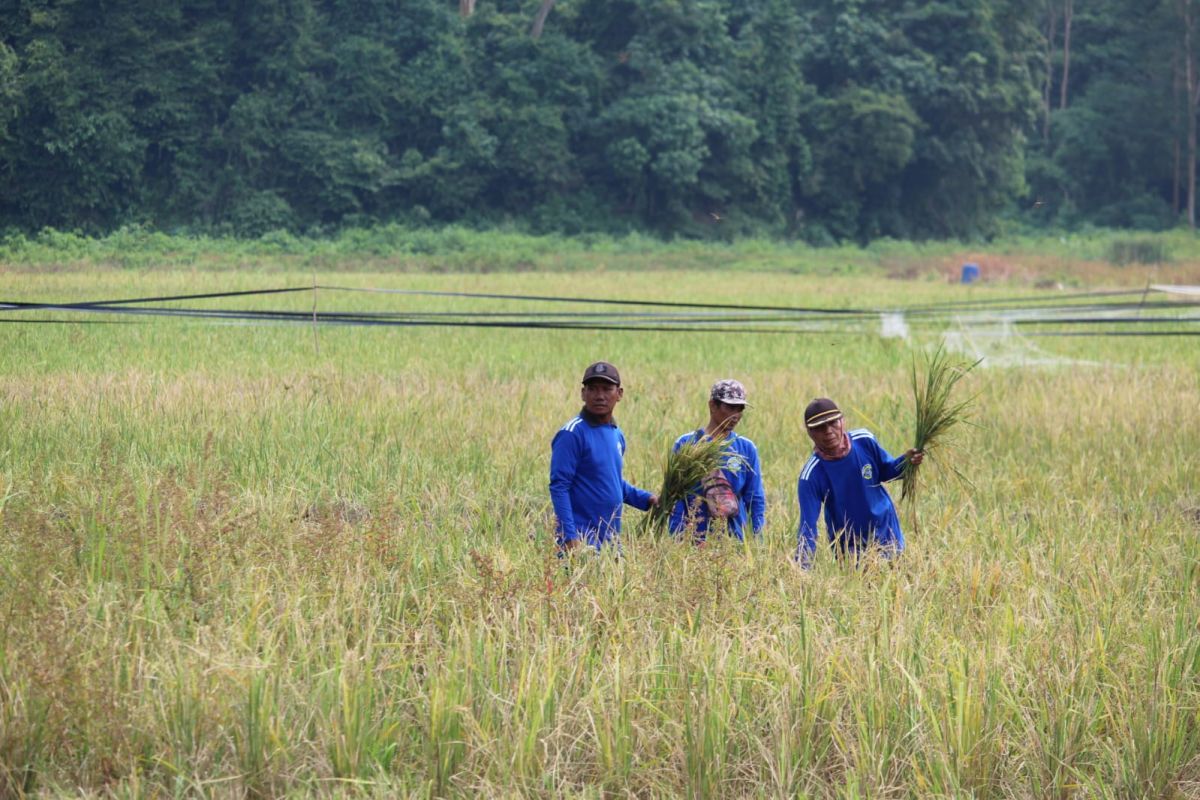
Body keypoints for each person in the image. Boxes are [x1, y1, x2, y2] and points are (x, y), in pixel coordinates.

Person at [794, 397, 923, 566]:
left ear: (842, 421)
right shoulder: (811, 476)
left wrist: (906, 462)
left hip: (888, 534)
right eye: (819, 427)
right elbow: (807, 527)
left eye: (833, 423)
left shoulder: (864, 440)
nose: (828, 431)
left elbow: (886, 471)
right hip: (851, 551)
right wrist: (802, 570)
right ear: (810, 433)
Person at [549, 361, 658, 554]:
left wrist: (647, 499)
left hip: (610, 542)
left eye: (607, 389)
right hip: (581, 540)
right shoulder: (572, 434)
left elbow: (611, 481)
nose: (600, 396)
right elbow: (559, 486)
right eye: (593, 389)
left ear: (619, 394)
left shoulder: (617, 434)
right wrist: (569, 537)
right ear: (583, 393)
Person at [668, 379, 766, 543]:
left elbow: (755, 499)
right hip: (694, 539)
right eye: (730, 407)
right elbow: (675, 498)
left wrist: (758, 541)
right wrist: (677, 539)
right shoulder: (686, 444)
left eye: (740, 409)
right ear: (713, 405)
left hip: (734, 539)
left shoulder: (746, 448)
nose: (735, 415)